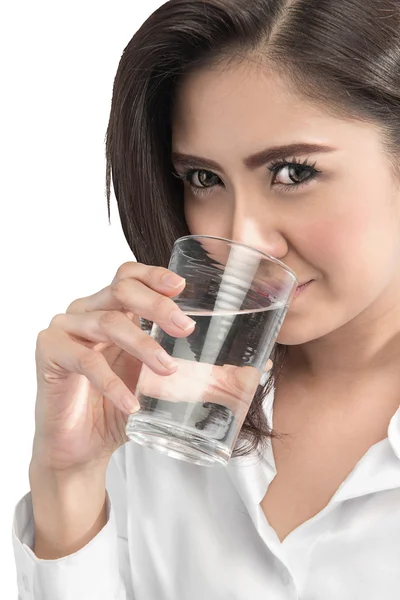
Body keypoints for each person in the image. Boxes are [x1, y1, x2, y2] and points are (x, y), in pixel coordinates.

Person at [12, 0, 400, 598]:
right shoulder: (151, 401)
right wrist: (70, 481)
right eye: (204, 178)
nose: (241, 242)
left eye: (293, 172)